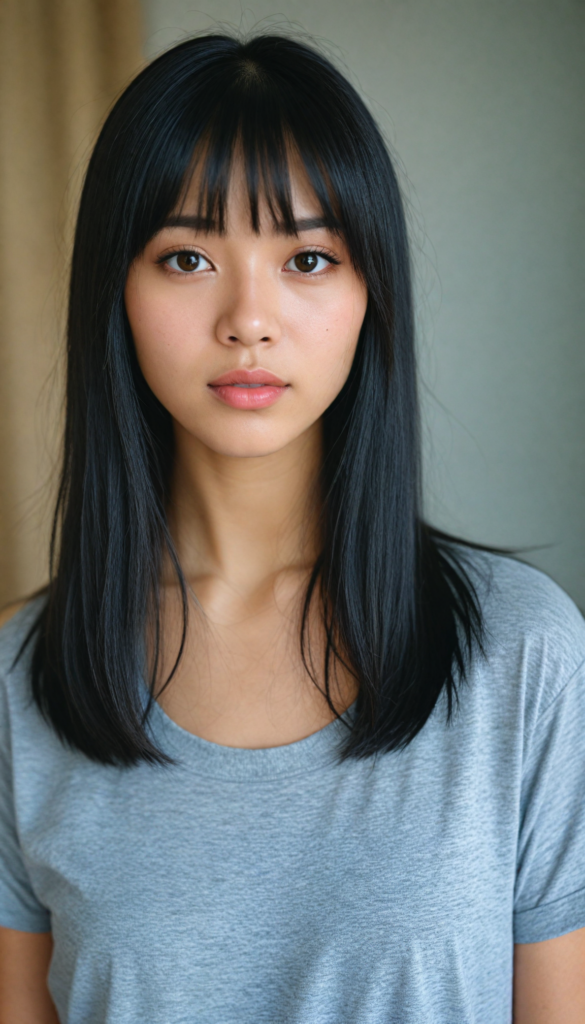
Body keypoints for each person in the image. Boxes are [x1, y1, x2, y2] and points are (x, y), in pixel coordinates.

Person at [0, 32, 583, 1024]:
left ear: (370, 293)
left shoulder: (523, 652)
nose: (249, 318)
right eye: (187, 257)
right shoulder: (23, 681)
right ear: (116, 291)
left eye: (308, 258)